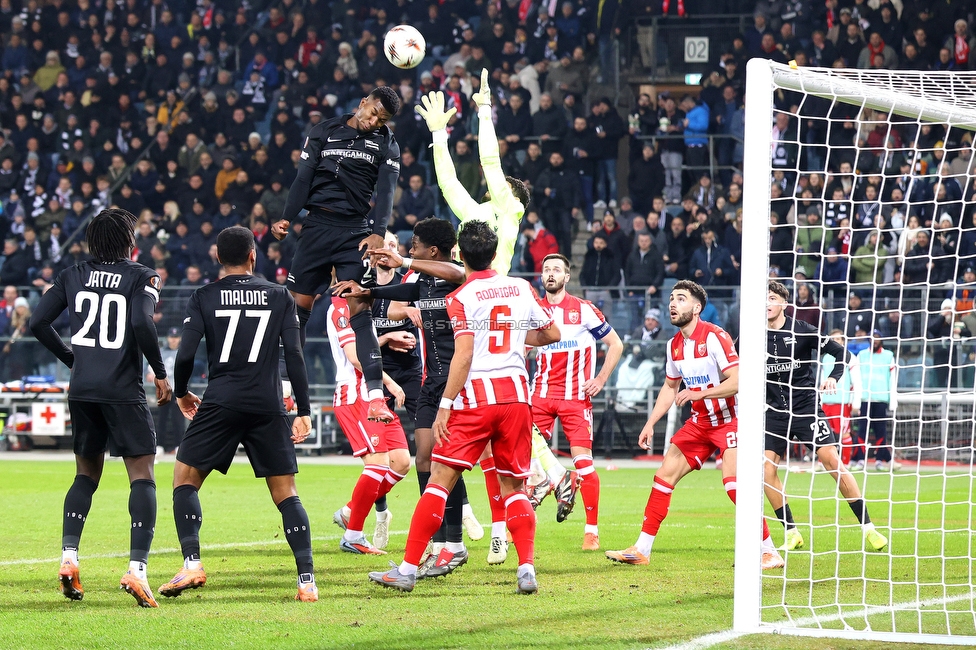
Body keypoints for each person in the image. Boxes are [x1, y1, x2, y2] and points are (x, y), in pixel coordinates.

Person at [367, 221, 560, 594]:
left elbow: (465, 354)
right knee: (514, 485)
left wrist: (445, 405)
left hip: (477, 400)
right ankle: (527, 569)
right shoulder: (520, 286)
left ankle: (408, 568)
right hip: (518, 398)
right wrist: (518, 339)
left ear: (461, 255)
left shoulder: (462, 296)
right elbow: (551, 334)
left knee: (439, 480)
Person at [159, 226, 317, 602]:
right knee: (286, 493)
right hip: (267, 403)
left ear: (217, 257)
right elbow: (293, 356)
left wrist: (181, 392)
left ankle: (193, 563)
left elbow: (185, 354)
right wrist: (304, 410)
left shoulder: (203, 296)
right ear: (253, 256)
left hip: (222, 400)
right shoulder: (280, 296)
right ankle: (307, 582)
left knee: (184, 479)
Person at [29, 208, 173, 607]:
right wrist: (160, 372)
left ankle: (68, 557)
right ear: (130, 242)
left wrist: (73, 359)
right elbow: (143, 324)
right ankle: (137, 569)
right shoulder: (142, 275)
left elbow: (38, 322)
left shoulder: (72, 274)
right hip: (122, 390)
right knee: (142, 474)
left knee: (85, 475)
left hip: (83, 389)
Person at [334, 218, 483, 577]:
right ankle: (443, 543)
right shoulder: (425, 283)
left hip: (458, 383)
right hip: (430, 383)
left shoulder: (458, 278)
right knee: (425, 459)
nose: (409, 249)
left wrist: (402, 262)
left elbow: (456, 272)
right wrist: (367, 293)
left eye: (414, 245)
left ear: (431, 250)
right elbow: (400, 296)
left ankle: (454, 544)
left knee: (448, 462)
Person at [605, 281, 783, 569]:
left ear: (697, 308)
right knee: (664, 476)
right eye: (672, 299)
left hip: (733, 419)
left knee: (734, 484)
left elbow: (739, 381)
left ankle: (769, 550)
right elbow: (669, 387)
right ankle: (642, 549)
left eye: (682, 299)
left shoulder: (715, 337)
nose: (673, 304)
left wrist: (699, 393)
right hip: (700, 422)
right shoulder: (673, 345)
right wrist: (650, 423)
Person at [271, 86, 403, 424]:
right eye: (373, 112)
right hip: (316, 227)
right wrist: (288, 215)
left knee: (360, 308)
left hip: (355, 233)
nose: (375, 121)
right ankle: (287, 389)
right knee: (297, 309)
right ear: (362, 103)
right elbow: (303, 178)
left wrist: (378, 229)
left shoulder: (386, 143)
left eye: (382, 119)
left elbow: (386, 190)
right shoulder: (323, 131)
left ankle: (375, 396)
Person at [764, 282, 888, 554]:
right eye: (763, 298)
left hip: (805, 407)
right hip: (773, 412)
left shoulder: (802, 330)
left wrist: (833, 377)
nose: (766, 303)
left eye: (772, 298)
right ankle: (791, 531)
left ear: (784, 303)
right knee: (765, 471)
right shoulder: (753, 336)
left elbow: (843, 353)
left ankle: (869, 528)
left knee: (832, 461)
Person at [528, 254, 624, 550]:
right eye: (546, 270)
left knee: (584, 464)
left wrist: (600, 379)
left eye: (557, 269)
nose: (551, 274)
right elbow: (522, 349)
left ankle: (591, 532)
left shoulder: (583, 310)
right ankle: (517, 525)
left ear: (567, 277)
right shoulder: (533, 310)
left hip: (575, 398)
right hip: (540, 395)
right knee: (522, 460)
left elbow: (616, 344)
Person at [413, 71, 530, 276]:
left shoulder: (511, 208)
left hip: (491, 289)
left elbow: (491, 162)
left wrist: (484, 110)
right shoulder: (474, 213)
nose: (497, 185)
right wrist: (439, 135)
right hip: (462, 286)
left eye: (505, 185)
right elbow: (448, 183)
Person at [326, 292, 410, 555]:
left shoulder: (361, 306)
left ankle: (350, 511)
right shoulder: (341, 309)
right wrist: (390, 381)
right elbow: (354, 357)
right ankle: (353, 535)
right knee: (377, 464)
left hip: (372, 394)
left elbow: (366, 346)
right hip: (355, 394)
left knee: (401, 462)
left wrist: (384, 338)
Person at [852, 330, 900, 471]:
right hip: (865, 398)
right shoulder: (862, 355)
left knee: (880, 431)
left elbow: (893, 379)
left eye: (877, 338)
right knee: (862, 430)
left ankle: (879, 461)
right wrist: (857, 398)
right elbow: (857, 378)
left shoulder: (888, 356)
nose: (875, 340)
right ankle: (860, 460)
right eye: (873, 338)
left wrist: (892, 400)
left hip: (881, 398)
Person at [148, 328, 186, 454]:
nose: (173, 340)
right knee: (161, 419)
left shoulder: (183, 352)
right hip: (164, 389)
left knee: (178, 420)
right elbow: (150, 370)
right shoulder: (161, 352)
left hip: (178, 389)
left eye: (176, 337)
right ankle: (159, 445)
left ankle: (178, 445)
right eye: (171, 337)